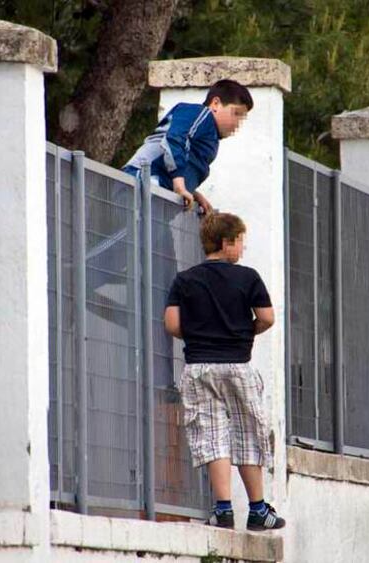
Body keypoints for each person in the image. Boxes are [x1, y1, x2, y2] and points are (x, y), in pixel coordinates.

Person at [164, 212, 286, 531]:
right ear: (226, 242)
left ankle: (223, 510)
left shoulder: (185, 280)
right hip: (237, 365)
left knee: (212, 434)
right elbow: (268, 317)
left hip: (199, 367)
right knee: (248, 432)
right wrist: (244, 333)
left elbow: (173, 324)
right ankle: (258, 510)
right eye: (240, 242)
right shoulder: (248, 278)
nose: (242, 249)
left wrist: (200, 337)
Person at [122, 80, 253, 214]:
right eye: (236, 113)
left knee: (156, 235)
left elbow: (180, 164)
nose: (238, 123)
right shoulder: (201, 114)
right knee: (135, 233)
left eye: (242, 118)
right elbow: (175, 139)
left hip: (155, 193)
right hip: (142, 182)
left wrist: (192, 192)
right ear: (215, 104)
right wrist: (180, 186)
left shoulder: (210, 137)